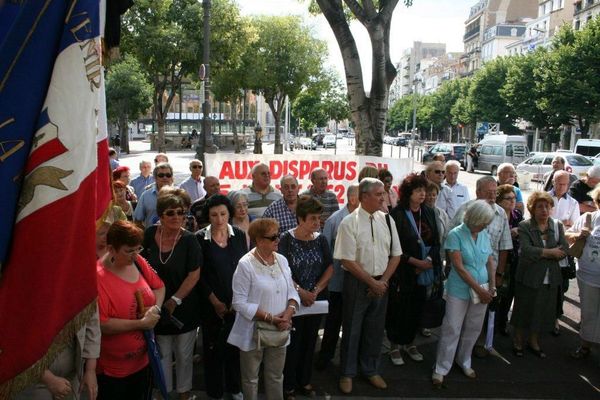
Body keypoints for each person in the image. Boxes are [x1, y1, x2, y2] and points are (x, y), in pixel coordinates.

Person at [334, 178, 402, 394]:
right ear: (364, 196)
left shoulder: (388, 220)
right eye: (379, 193)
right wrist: (372, 282)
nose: (384, 197)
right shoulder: (349, 222)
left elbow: (396, 255)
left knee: (375, 329)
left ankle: (370, 370)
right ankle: (347, 373)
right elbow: (346, 260)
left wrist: (381, 282)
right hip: (357, 282)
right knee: (352, 329)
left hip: (382, 281)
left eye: (383, 193)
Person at [228, 219, 300, 400]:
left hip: (280, 329)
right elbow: (239, 302)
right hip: (252, 332)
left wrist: (288, 314)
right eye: (273, 237)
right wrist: (270, 318)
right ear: (259, 240)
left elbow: (292, 291)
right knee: (251, 379)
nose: (278, 239)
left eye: (279, 234)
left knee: (276, 376)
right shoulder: (245, 264)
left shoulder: (281, 260)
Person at [141, 188, 202, 400]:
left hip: (184, 307)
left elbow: (194, 275)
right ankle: (165, 393)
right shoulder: (149, 234)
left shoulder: (190, 240)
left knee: (184, 355)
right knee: (163, 353)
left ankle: (184, 393)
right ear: (160, 216)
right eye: (171, 213)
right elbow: (139, 265)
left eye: (180, 212)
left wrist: (175, 300)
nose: (177, 217)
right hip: (156, 306)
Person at [96, 221, 165, 399]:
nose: (134, 255)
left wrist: (155, 308)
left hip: (144, 360)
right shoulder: (98, 278)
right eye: (128, 251)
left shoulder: (138, 262)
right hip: (112, 371)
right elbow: (103, 324)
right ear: (111, 249)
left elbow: (159, 287)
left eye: (138, 249)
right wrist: (140, 323)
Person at [432, 200, 496, 387]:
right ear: (474, 218)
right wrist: (480, 290)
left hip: (483, 289)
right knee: (452, 327)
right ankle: (441, 367)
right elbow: (459, 267)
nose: (486, 225)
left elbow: (490, 260)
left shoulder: (483, 233)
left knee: (474, 327)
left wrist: (491, 286)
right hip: (459, 290)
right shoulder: (455, 235)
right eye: (484, 221)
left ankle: (464, 360)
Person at [450, 176, 513, 358]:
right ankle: (450, 354)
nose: (493, 197)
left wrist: (499, 273)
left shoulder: (500, 213)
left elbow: (504, 246)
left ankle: (471, 349)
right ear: (478, 193)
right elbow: (451, 241)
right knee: (456, 319)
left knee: (477, 318)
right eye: (488, 193)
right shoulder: (465, 210)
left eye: (495, 192)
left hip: (488, 275)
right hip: (463, 273)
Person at [278, 196, 333, 399]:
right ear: (300, 219)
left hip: (315, 301)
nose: (317, 223)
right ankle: (289, 385)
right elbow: (283, 271)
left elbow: (329, 267)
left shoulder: (321, 239)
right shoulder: (286, 239)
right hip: (293, 301)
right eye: (312, 218)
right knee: (292, 343)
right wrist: (301, 292)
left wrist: (315, 291)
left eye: (318, 218)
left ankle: (305, 380)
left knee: (310, 342)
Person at [196, 195, 248, 400]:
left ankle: (235, 388)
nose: (219, 219)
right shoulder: (200, 238)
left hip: (236, 302)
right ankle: (215, 391)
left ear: (229, 213)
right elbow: (198, 274)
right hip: (211, 304)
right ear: (208, 216)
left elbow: (245, 269)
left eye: (223, 214)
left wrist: (238, 300)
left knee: (235, 348)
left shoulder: (240, 235)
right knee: (212, 349)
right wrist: (214, 301)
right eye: (214, 215)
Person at [387, 174, 441, 366]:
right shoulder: (397, 214)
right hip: (403, 272)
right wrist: (415, 263)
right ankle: (394, 345)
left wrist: (427, 261)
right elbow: (393, 247)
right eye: (418, 191)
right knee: (399, 309)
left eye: (424, 191)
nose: (422, 194)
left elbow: (436, 241)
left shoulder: (428, 212)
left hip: (425, 269)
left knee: (417, 308)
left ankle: (410, 343)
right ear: (408, 193)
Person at [511, 191, 568, 358]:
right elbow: (527, 250)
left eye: (547, 206)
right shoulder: (525, 226)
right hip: (528, 276)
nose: (544, 210)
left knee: (541, 311)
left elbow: (564, 249)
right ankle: (518, 339)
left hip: (550, 278)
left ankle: (534, 341)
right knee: (523, 309)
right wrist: (550, 253)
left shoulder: (557, 226)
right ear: (532, 209)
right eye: (540, 206)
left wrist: (542, 253)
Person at [316, 184, 360, 370]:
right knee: (333, 323)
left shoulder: (366, 219)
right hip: (337, 283)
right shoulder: (335, 220)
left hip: (358, 281)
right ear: (352, 198)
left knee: (353, 324)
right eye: (362, 195)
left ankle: (349, 360)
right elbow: (325, 251)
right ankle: (325, 358)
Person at [14, 312, 101, 400]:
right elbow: (15, 338)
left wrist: (91, 369)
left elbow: (92, 321)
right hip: (33, 379)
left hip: (70, 376)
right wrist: (49, 379)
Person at [566, 185, 600, 359]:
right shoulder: (589, 218)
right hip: (587, 275)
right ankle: (585, 345)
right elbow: (567, 235)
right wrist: (579, 234)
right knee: (588, 313)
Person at [548, 170, 580, 336]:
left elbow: (575, 228)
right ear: (553, 182)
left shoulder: (573, 203)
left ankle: (555, 318)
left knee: (561, 287)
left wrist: (557, 225)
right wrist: (563, 224)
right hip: (546, 249)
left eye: (565, 184)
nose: (561, 187)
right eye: (558, 183)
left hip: (564, 251)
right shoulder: (544, 198)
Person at [492, 184, 524, 336]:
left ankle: (502, 322)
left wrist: (518, 231)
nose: (512, 201)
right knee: (495, 292)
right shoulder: (494, 216)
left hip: (514, 260)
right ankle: (490, 323)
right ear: (499, 200)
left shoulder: (517, 215)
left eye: (514, 198)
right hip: (497, 258)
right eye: (508, 198)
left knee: (508, 293)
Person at [133, 162, 174, 228]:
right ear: (155, 178)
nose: (165, 178)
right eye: (161, 175)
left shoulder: (179, 195)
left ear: (171, 177)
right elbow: (137, 220)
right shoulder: (146, 196)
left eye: (168, 175)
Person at [425, 181, 450, 271]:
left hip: (439, 257)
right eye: (428, 195)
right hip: (423, 257)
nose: (431, 197)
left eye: (434, 195)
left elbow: (447, 236)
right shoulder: (419, 212)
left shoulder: (442, 213)